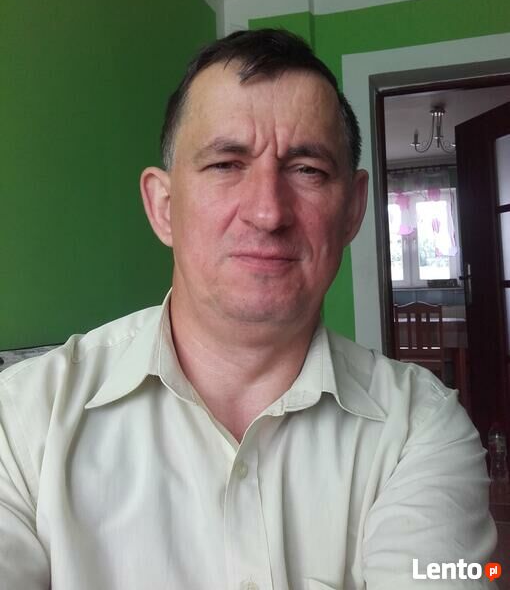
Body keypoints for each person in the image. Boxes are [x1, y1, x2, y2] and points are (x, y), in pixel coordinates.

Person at [0, 29, 496, 589]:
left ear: (353, 210)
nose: (267, 212)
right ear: (163, 207)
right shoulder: (19, 422)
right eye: (225, 164)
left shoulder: (421, 429)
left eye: (307, 170)